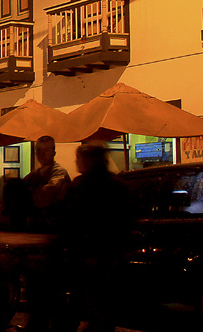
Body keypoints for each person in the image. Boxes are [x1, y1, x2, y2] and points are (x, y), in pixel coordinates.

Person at [60, 141, 132, 332]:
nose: (76, 162)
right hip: (110, 255)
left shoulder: (81, 186)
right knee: (104, 308)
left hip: (86, 255)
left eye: (79, 158)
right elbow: (127, 220)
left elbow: (68, 219)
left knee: (80, 304)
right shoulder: (118, 186)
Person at [22, 136, 71, 332]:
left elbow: (46, 195)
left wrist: (30, 197)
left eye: (46, 150)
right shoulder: (33, 175)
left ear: (54, 151)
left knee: (52, 288)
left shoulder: (58, 172)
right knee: (35, 288)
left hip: (53, 238)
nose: (42, 154)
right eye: (38, 151)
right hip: (35, 239)